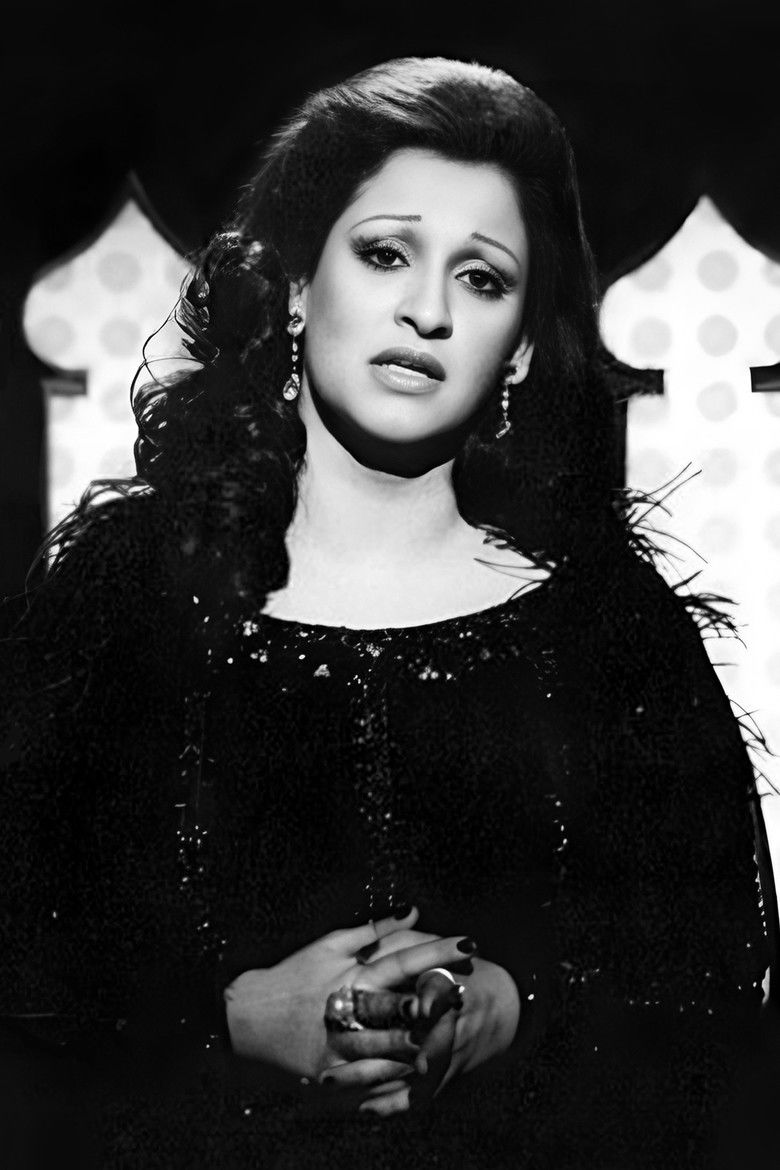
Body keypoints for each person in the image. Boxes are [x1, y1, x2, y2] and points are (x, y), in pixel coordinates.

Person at [0, 55, 777, 1169]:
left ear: (521, 347)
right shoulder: (125, 602)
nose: (427, 310)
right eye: (385, 254)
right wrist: (231, 1020)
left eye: (483, 279)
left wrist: (514, 1008)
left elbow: (710, 997)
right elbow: (28, 972)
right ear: (296, 285)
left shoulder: (609, 630)